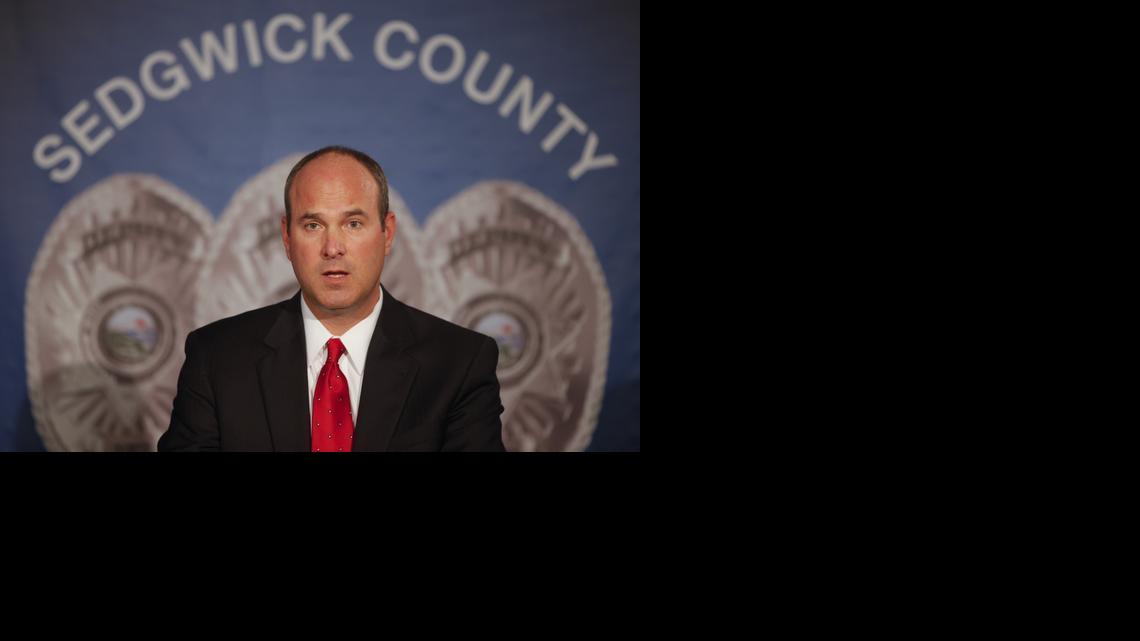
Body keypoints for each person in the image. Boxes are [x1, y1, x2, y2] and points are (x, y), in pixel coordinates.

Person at [158, 145, 505, 451]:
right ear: (287, 237)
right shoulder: (216, 358)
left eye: (353, 224)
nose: (333, 248)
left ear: (387, 233)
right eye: (313, 225)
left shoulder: (459, 364)